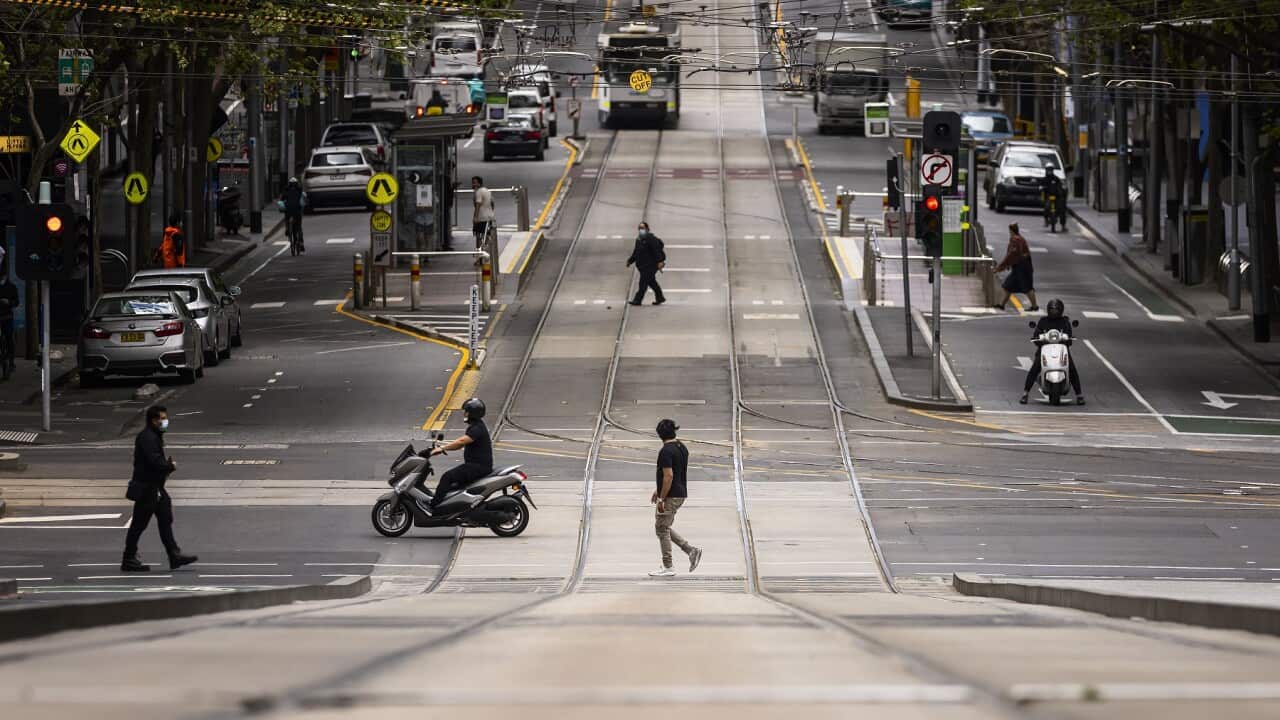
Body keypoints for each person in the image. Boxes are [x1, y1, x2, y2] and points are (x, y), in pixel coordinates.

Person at [122, 406, 197, 572]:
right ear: (153, 420)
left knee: (165, 519)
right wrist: (169, 466)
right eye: (162, 418)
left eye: (165, 418)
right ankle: (128, 558)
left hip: (155, 487)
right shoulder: (147, 438)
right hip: (147, 488)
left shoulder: (154, 436)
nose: (165, 421)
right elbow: (154, 461)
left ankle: (174, 555)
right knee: (139, 524)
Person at [649, 419, 701, 577]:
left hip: (671, 495)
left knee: (661, 528)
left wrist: (661, 498)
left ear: (660, 435)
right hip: (680, 492)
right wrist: (658, 490)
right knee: (663, 526)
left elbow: (669, 476)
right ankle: (691, 551)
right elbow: (676, 473)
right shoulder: (681, 447)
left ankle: (668, 566)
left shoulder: (665, 451)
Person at [428, 397, 493, 512]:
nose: (464, 413)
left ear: (472, 413)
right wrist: (442, 448)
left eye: (466, 411)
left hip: (477, 467)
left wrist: (442, 448)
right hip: (477, 465)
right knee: (453, 485)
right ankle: (455, 508)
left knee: (447, 477)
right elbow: (459, 445)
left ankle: (434, 507)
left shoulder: (477, 428)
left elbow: (461, 442)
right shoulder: (477, 426)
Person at [1022, 298, 1085, 406]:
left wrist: (1068, 339)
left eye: (1056, 310)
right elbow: (1036, 335)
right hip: (1044, 348)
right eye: (1052, 310)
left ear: (1061, 310)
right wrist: (1038, 339)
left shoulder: (1065, 321)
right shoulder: (1043, 321)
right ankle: (1025, 393)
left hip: (1061, 349)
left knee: (1072, 368)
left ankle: (1079, 395)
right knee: (1035, 368)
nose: (1054, 312)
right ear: (1048, 310)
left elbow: (1070, 338)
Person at [994, 223, 1038, 311]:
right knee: (1008, 286)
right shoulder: (1019, 238)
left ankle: (1034, 306)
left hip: (1022, 268)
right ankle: (1002, 305)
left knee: (1028, 287)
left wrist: (1000, 267)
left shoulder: (1015, 239)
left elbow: (1012, 255)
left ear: (1011, 230)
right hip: (1020, 267)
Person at [626, 221, 666, 306]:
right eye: (639, 228)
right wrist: (630, 261)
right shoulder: (639, 239)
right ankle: (660, 297)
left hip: (650, 266)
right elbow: (636, 252)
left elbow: (657, 251)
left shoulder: (651, 239)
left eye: (643, 228)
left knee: (642, 283)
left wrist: (660, 261)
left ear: (647, 229)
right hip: (643, 266)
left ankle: (637, 300)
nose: (641, 230)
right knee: (652, 282)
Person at [279, 177, 307, 253]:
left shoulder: (286, 190)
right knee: (299, 226)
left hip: (288, 210)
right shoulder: (299, 190)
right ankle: (301, 242)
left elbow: (281, 200)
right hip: (297, 211)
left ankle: (287, 229)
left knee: (287, 218)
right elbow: (303, 199)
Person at [0, 274, 18, 375]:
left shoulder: (11, 287)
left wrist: (8, 302)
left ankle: (11, 362)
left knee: (9, 338)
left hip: (7, 317)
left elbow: (16, 302)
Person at [471, 176, 495, 251]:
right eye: (472, 183)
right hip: (489, 217)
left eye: (475, 183)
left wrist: (475, 217)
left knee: (478, 236)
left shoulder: (479, 192)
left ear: (479, 183)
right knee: (487, 235)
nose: (473, 184)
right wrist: (490, 212)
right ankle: (485, 251)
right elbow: (492, 203)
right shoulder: (487, 191)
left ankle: (479, 255)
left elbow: (478, 205)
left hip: (481, 218)